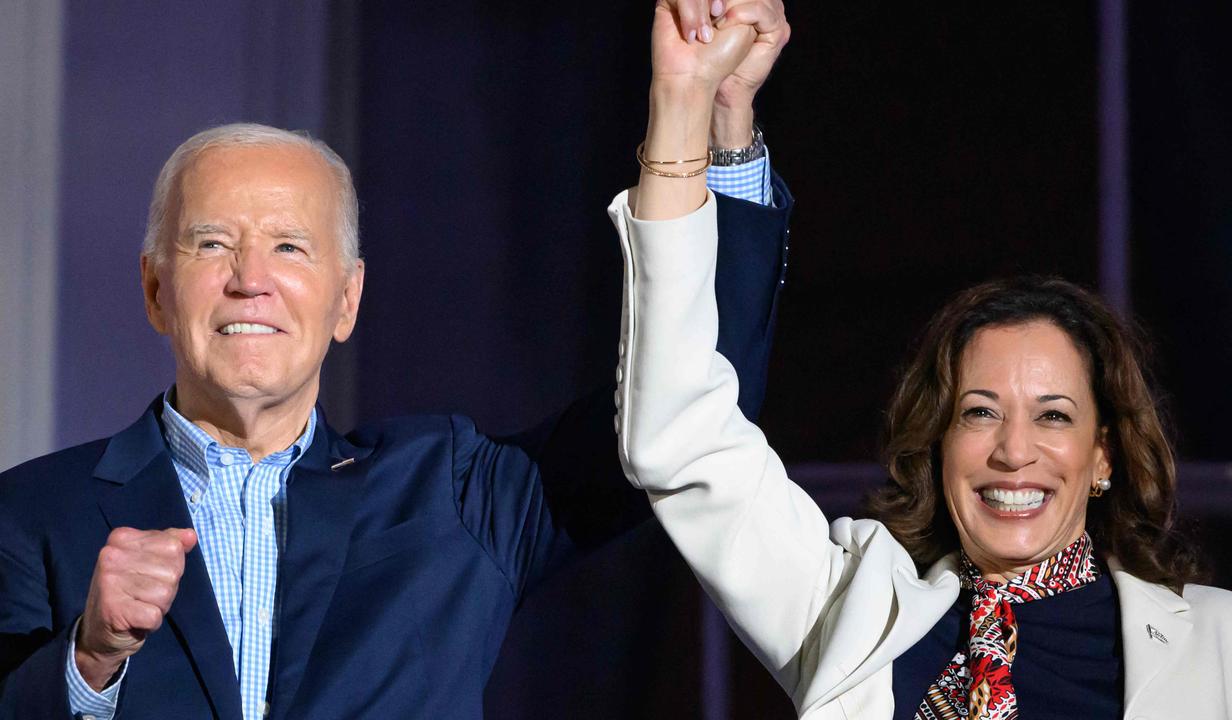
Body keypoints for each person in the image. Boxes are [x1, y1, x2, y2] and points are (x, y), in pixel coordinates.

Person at [0, 3, 792, 718]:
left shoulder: (452, 496)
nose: (250, 280)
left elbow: (694, 408)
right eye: (211, 244)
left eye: (289, 247)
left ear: (347, 301)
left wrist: (711, 117)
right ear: (155, 290)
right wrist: (88, 660)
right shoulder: (33, 514)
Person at [609, 48, 1232, 720]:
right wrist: (687, 99)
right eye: (981, 412)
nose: (1014, 452)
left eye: (1052, 416)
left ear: (1102, 453)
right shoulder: (856, 611)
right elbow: (680, 432)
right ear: (938, 441)